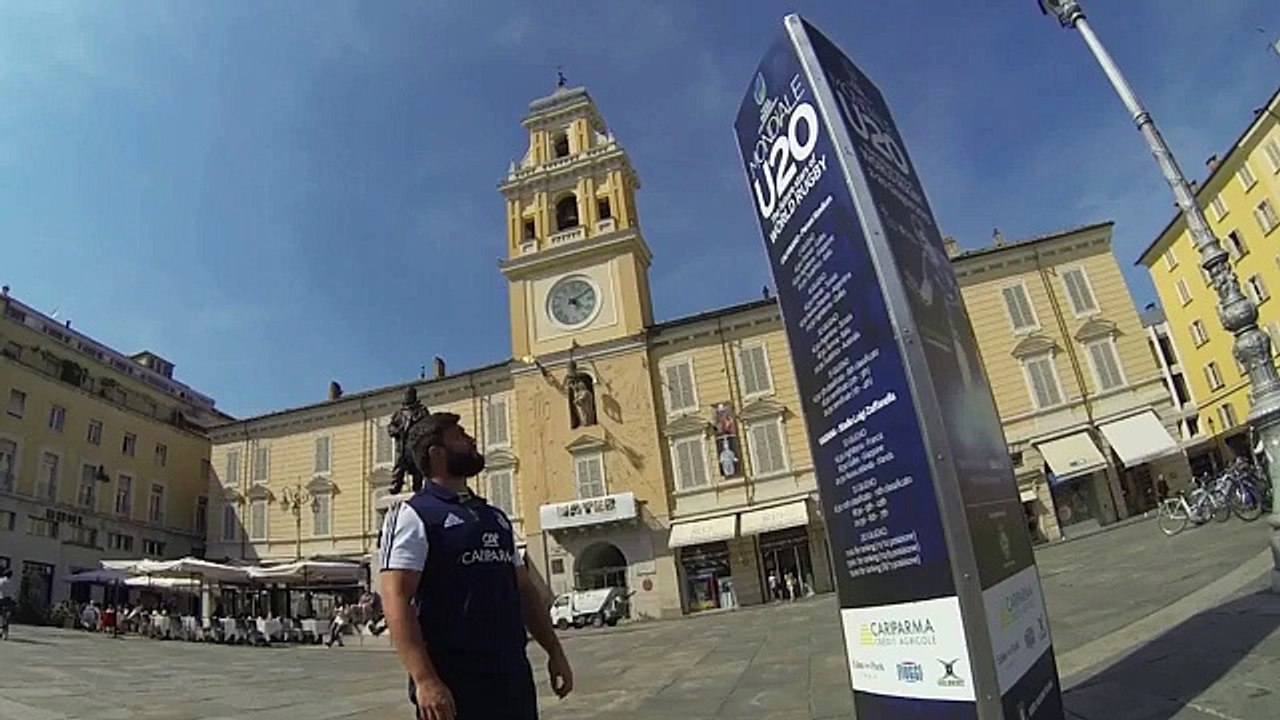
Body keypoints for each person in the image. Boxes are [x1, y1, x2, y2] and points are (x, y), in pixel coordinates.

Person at [380, 411, 572, 719]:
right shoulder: (413, 515)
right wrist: (425, 680)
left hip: (512, 678)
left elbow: (524, 590)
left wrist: (555, 652)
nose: (471, 440)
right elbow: (395, 598)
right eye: (459, 435)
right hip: (455, 684)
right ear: (436, 453)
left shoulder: (494, 517)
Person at [0, 569, 14, 640]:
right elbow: (11, 593)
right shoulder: (10, 582)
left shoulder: (0, 580)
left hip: (1, 599)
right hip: (8, 600)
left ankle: (1, 631)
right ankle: (5, 635)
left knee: (1, 617)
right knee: (6, 618)